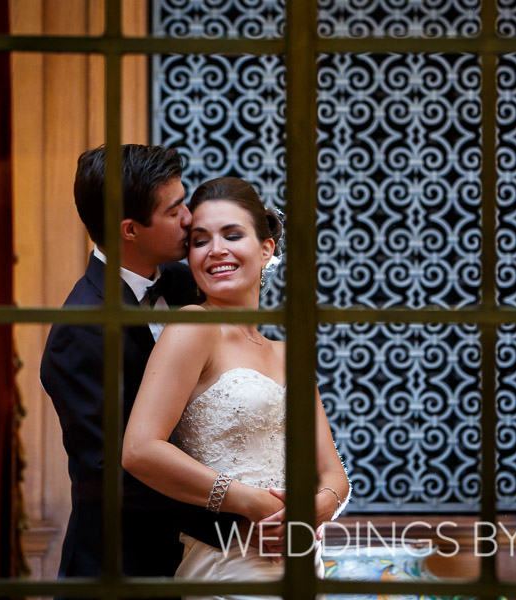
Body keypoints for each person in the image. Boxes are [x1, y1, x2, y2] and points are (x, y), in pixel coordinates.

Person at [122, 177, 350, 594]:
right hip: (227, 565)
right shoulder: (193, 326)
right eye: (200, 240)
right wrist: (251, 502)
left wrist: (317, 506)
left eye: (232, 234)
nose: (217, 250)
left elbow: (333, 471)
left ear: (266, 250)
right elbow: (139, 450)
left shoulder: (289, 354)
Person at [39, 145, 241, 580]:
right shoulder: (79, 333)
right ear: (130, 230)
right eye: (174, 211)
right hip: (125, 568)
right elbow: (115, 477)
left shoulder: (189, 282)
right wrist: (237, 516)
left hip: (208, 560)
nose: (190, 218)